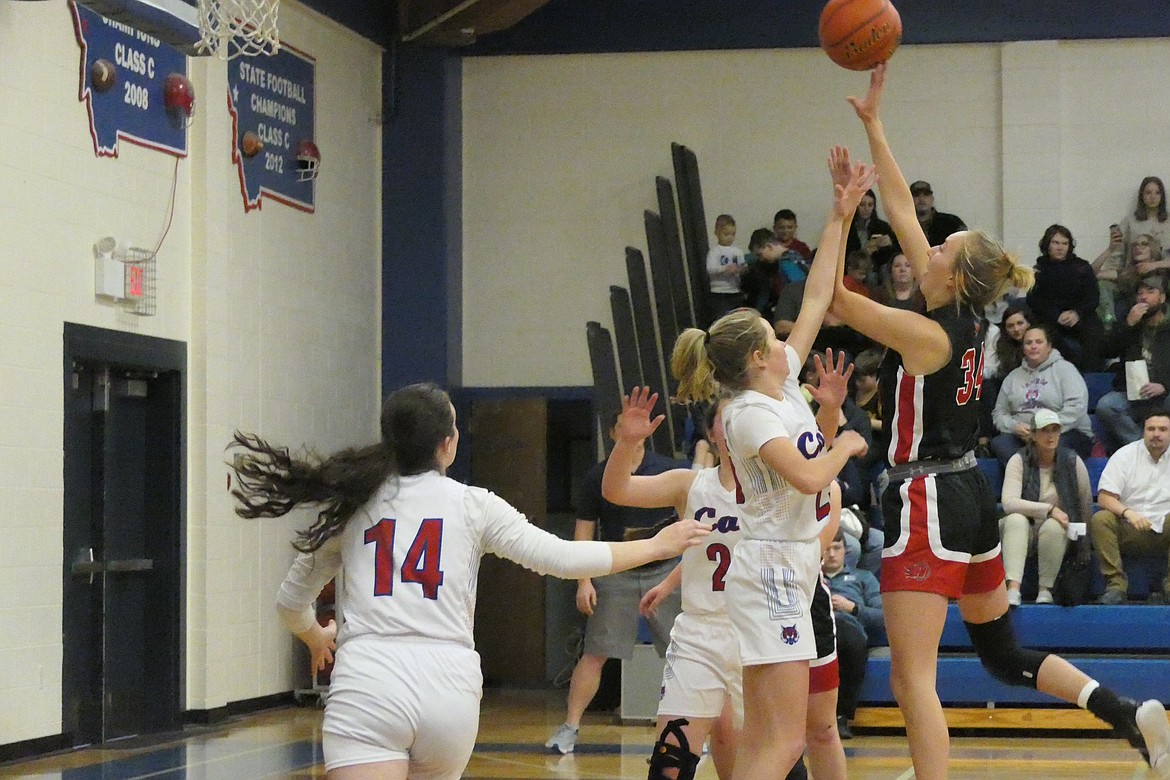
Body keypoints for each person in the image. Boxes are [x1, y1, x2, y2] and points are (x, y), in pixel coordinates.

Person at [829, 64, 1170, 780]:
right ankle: (1123, 710)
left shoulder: (929, 335)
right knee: (1002, 656)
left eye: (941, 246)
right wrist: (874, 124)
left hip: (926, 499)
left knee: (911, 679)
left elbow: (838, 303)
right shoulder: (957, 311)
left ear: (949, 274)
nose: (929, 243)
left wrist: (836, 218)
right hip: (970, 498)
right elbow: (899, 209)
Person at [226, 382, 711, 780]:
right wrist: (658, 545)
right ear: (447, 444)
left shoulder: (352, 503)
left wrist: (316, 637)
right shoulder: (473, 504)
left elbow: (291, 603)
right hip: (448, 689)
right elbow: (563, 558)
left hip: (368, 681)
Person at [671, 147, 874, 780]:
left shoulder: (776, 387)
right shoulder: (749, 415)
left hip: (786, 566)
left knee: (769, 740)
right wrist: (845, 444)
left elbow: (815, 297)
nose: (788, 338)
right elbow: (812, 477)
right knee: (784, 743)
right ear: (761, 356)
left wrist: (838, 216)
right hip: (773, 570)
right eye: (774, 335)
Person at [604, 390, 844, 780]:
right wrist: (628, 442)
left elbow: (819, 458)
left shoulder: (783, 489)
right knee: (671, 758)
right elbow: (617, 491)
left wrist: (830, 411)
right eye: (725, 416)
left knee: (778, 756)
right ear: (712, 432)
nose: (736, 421)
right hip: (701, 631)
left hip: (758, 630)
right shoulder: (691, 484)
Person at [546, 414, 690, 755]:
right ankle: (570, 727)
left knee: (686, 654)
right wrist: (584, 580)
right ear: (614, 433)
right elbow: (583, 529)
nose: (633, 431)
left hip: (666, 571)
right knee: (595, 652)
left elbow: (693, 524)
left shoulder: (669, 471)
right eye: (624, 424)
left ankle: (694, 734)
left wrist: (685, 571)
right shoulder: (599, 476)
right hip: (617, 571)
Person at [999, 409, 1092, 606]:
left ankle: (1045, 590)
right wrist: (1049, 509)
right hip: (1023, 531)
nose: (1050, 436)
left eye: (1055, 430)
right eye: (1044, 431)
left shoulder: (1073, 461)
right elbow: (1008, 502)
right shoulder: (1018, 460)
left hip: (1057, 532)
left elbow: (1084, 506)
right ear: (1032, 434)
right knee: (1016, 519)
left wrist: (1083, 548)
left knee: (1054, 525)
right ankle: (1013, 589)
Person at [1089, 411, 1170, 606]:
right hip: (1129, 527)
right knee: (1101, 519)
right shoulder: (1125, 455)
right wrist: (1128, 513)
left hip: (1166, 530)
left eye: (1163, 429)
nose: (1156, 434)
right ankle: (1116, 586)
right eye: (1151, 429)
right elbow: (1105, 497)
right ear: (1143, 431)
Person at [990, 324, 1094, 466]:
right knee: (1000, 443)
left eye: (1039, 342)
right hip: (1023, 435)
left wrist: (1043, 431)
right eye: (1028, 343)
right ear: (1023, 348)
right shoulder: (1013, 377)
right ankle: (1031, 480)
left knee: (1048, 447)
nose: (1033, 346)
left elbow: (1077, 408)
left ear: (1049, 346)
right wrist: (1014, 427)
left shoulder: (1066, 370)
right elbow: (999, 413)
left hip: (1065, 432)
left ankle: (1035, 483)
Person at [822, 528, 885, 740]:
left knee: (848, 640)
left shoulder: (863, 577)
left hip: (848, 626)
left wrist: (853, 608)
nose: (831, 554)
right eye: (827, 548)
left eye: (836, 548)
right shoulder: (808, 578)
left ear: (845, 551)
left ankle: (840, 716)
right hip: (814, 627)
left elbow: (883, 616)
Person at [1097, 275, 1170, 453]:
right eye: (1140, 293)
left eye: (1150, 291)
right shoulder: (1130, 323)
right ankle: (1145, 450)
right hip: (1132, 393)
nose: (1143, 296)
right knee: (1106, 406)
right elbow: (1106, 351)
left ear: (1162, 298)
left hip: (1164, 394)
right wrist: (1128, 324)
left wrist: (1164, 386)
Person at [1026, 224, 1104, 371]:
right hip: (1051, 319)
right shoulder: (1039, 269)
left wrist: (1076, 313)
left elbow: (1093, 297)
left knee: (1094, 337)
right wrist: (1056, 315)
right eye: (1056, 243)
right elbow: (1033, 300)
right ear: (1047, 245)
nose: (1060, 247)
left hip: (1081, 316)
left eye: (1064, 243)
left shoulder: (1082, 267)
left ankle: (1092, 379)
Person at [845, 188, 897, 277]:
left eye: (870, 205)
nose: (866, 208)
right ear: (856, 206)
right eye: (862, 205)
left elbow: (895, 252)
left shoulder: (882, 226)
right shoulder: (847, 228)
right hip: (855, 268)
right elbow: (845, 255)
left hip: (876, 267)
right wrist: (865, 251)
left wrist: (890, 243)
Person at [1118, 177, 1170, 261]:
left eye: (1157, 193)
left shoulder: (1168, 221)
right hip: (1136, 272)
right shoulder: (1129, 222)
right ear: (1142, 195)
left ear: (1162, 196)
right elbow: (1117, 254)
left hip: (1165, 272)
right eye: (1148, 193)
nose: (1153, 197)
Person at [706, 214, 747, 319]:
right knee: (721, 318)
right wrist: (725, 269)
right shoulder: (715, 251)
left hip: (735, 290)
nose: (730, 237)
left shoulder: (738, 251)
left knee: (737, 318)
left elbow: (743, 266)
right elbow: (710, 269)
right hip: (719, 292)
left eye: (732, 234)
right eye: (726, 234)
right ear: (717, 233)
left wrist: (742, 270)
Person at [907, 179, 966, 248]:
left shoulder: (952, 223)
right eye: (916, 195)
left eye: (926, 194)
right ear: (909, 199)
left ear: (932, 199)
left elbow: (964, 245)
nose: (921, 199)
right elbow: (893, 249)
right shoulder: (901, 226)